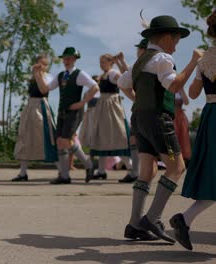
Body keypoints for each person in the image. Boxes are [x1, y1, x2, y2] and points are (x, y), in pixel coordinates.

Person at [117, 15, 202, 243]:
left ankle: (134, 224)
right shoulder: (163, 58)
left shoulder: (140, 60)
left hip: (139, 120)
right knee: (177, 166)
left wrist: (138, 100)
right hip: (158, 120)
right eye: (176, 41)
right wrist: (193, 62)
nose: (176, 46)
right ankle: (152, 218)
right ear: (166, 37)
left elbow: (122, 83)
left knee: (148, 171)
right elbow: (173, 85)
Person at [169, 10, 215, 251]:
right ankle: (184, 219)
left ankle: (184, 219)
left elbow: (196, 94)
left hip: (211, 115)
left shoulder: (205, 58)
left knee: (213, 174)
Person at [41, 47, 99, 184]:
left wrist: (82, 102)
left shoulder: (80, 74)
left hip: (74, 112)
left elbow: (95, 87)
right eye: (65, 58)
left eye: (69, 58)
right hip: (62, 112)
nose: (66, 60)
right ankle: (65, 176)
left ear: (74, 59)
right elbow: (46, 88)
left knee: (65, 141)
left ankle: (88, 164)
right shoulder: (61, 75)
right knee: (60, 143)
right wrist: (38, 74)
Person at [12, 55, 58, 182]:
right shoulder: (32, 77)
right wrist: (35, 74)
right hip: (30, 106)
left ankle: (61, 171)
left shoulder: (48, 77)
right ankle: (22, 173)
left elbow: (43, 90)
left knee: (48, 137)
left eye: (44, 64)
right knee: (25, 137)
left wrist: (38, 74)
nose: (42, 66)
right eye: (40, 63)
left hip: (41, 106)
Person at [89, 54, 131, 180]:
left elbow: (125, 77)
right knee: (102, 138)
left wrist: (121, 62)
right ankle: (101, 170)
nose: (101, 64)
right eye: (100, 62)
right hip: (103, 109)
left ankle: (132, 169)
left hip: (111, 109)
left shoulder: (113, 73)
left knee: (116, 137)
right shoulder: (103, 76)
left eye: (103, 62)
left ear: (110, 62)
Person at [114, 38, 149, 183]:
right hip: (139, 107)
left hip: (150, 107)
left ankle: (171, 166)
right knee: (134, 139)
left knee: (152, 142)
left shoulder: (149, 65)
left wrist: (120, 62)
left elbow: (128, 77)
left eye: (140, 48)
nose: (138, 51)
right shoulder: (138, 65)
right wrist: (120, 62)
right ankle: (135, 173)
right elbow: (128, 76)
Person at [173, 89, 191, 161]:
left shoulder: (180, 90)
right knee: (173, 138)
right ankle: (172, 160)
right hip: (171, 116)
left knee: (183, 137)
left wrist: (182, 89)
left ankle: (183, 159)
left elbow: (187, 102)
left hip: (181, 116)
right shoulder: (169, 88)